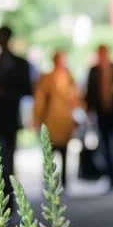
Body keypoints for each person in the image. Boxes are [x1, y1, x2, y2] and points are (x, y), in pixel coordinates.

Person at [0, 26, 33, 203]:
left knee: (9, 157)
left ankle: (9, 196)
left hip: (9, 118)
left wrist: (6, 93)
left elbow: (27, 89)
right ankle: (2, 195)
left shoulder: (20, 63)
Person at [33, 50, 82, 190]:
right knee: (49, 152)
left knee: (65, 151)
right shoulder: (46, 78)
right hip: (51, 120)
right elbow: (40, 101)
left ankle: (65, 182)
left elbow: (77, 98)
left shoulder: (69, 78)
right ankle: (49, 182)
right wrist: (36, 119)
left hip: (65, 120)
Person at [85, 44, 113, 190]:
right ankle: (111, 175)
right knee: (105, 144)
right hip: (102, 113)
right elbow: (90, 92)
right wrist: (89, 111)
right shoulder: (93, 71)